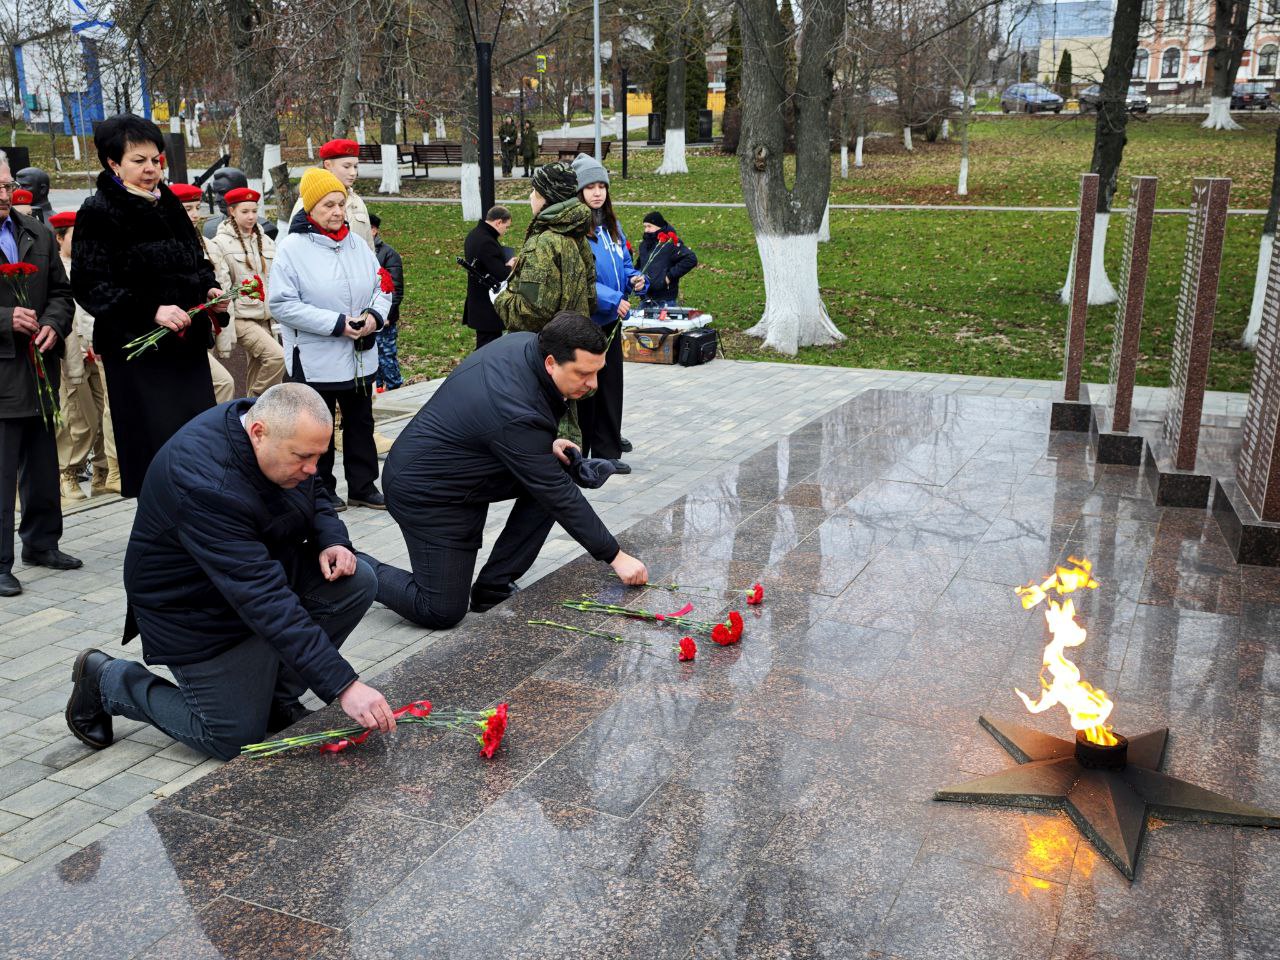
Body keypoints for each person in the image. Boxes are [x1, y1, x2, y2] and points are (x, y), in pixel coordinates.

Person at [63, 383, 394, 761]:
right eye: (303, 457)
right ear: (258, 434)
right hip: (191, 610)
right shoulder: (206, 484)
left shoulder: (272, 428)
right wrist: (345, 686)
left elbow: (313, 486)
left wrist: (333, 540)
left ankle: (275, 701)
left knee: (356, 580)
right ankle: (109, 680)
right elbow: (265, 600)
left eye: (318, 456)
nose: (312, 468)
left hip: (247, 580)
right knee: (231, 738)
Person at [365, 312, 648, 628]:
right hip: (427, 492)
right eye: (583, 374)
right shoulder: (513, 406)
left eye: (598, 373)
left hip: (463, 472)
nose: (593, 385)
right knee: (441, 610)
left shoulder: (529, 347)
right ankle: (354, 567)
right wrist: (615, 556)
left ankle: (493, 586)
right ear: (552, 363)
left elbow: (518, 435)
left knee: (556, 468)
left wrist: (543, 445)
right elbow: (556, 491)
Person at [70, 114, 227, 499]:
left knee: (197, 445)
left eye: (155, 160)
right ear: (113, 163)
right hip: (139, 352)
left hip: (184, 346)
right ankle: (163, 535)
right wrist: (150, 310)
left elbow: (195, 260)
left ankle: (200, 526)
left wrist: (209, 289)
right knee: (158, 452)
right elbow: (90, 285)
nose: (150, 169)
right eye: (138, 160)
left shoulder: (169, 202)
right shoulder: (98, 211)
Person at [270, 167, 392, 512]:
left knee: (361, 423)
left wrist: (373, 316)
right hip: (315, 358)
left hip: (357, 356)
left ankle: (363, 486)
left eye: (341, 204)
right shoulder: (292, 248)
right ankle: (319, 489)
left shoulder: (357, 244)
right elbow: (281, 304)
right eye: (328, 205)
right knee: (315, 428)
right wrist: (337, 324)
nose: (337, 212)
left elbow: (382, 285)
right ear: (310, 209)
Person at [0, 161, 79, 597]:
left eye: (8, 185)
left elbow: (62, 293)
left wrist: (54, 322)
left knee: (42, 460)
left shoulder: (37, 232)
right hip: (2, 369)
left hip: (39, 365)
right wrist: (5, 318)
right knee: (2, 470)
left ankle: (42, 542)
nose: (5, 194)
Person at [571, 153, 646, 474]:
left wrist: (637, 279)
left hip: (612, 322)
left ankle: (607, 450)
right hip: (589, 321)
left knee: (611, 386)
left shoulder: (613, 228)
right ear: (580, 192)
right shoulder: (576, 230)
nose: (597, 192)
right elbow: (581, 277)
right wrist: (613, 298)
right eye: (590, 187)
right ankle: (583, 452)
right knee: (587, 389)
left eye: (602, 186)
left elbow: (625, 263)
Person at [51, 210, 114, 502]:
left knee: (104, 413)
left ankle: (102, 472)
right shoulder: (56, 269)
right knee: (78, 417)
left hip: (97, 347)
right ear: (59, 238)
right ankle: (69, 472)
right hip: (72, 351)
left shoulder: (91, 266)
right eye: (75, 238)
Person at [494, 162, 595, 334]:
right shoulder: (577, 234)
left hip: (543, 349)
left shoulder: (543, 244)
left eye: (534, 191)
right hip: (574, 342)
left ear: (547, 196)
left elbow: (531, 315)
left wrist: (500, 298)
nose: (530, 197)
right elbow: (590, 297)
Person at [207, 186, 284, 397]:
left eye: (254, 210)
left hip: (265, 317)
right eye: (245, 211)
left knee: (260, 366)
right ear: (232, 211)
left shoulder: (266, 241)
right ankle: (254, 403)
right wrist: (227, 329)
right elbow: (222, 285)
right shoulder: (220, 243)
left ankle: (250, 417)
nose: (251, 216)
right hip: (242, 318)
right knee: (277, 357)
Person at [170, 182, 237, 404]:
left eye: (197, 208)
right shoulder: (168, 243)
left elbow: (217, 279)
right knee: (221, 383)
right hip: (176, 332)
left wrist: (211, 292)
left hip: (202, 326)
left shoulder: (202, 243)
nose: (195, 215)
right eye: (188, 209)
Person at [290, 139, 374, 251]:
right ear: (328, 165)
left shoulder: (357, 201)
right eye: (346, 166)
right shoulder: (309, 201)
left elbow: (369, 247)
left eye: (355, 166)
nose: (353, 172)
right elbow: (295, 247)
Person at [462, 205, 513, 351]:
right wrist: (510, 266)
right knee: (488, 347)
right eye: (506, 226)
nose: (505, 231)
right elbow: (501, 274)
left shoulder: (475, 234)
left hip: (478, 301)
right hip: (487, 306)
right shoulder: (487, 241)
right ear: (498, 222)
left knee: (485, 343)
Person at [369, 212, 404, 391]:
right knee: (373, 361)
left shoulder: (389, 255)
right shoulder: (361, 253)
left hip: (385, 319)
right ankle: (379, 390)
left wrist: (387, 315)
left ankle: (396, 390)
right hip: (367, 318)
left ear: (374, 230)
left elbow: (395, 289)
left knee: (387, 357)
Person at [636, 211, 698, 307]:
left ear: (659, 226)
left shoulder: (671, 243)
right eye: (645, 227)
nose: (646, 230)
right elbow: (640, 264)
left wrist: (669, 277)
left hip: (665, 301)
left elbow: (691, 259)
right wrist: (636, 277)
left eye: (649, 226)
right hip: (645, 299)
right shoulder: (644, 245)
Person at [498, 114, 518, 178]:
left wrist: (510, 139)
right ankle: (504, 172)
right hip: (504, 146)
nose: (508, 119)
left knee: (511, 160)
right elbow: (500, 134)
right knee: (505, 160)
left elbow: (515, 136)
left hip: (512, 146)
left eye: (509, 118)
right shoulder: (503, 126)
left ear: (511, 119)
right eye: (507, 118)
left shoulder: (514, 127)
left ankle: (509, 171)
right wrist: (505, 137)